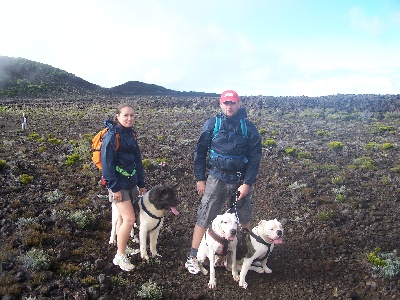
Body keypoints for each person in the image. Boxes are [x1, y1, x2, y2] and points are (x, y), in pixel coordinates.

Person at [185, 90, 262, 274]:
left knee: (244, 218)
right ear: (221, 104)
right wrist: (200, 178)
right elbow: (200, 151)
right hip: (216, 178)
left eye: (233, 103)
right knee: (205, 214)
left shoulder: (248, 128)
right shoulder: (212, 124)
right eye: (226, 103)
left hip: (239, 180)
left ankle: (247, 255)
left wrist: (247, 183)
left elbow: (255, 157)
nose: (229, 106)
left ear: (239, 104)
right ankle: (193, 257)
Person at [101, 103, 147, 271]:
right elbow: (107, 164)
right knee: (129, 219)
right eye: (126, 115)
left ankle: (123, 246)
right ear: (118, 116)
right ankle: (119, 256)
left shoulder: (131, 134)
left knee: (122, 219)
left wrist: (141, 183)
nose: (129, 118)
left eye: (132, 115)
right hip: (118, 185)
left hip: (131, 182)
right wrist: (114, 188)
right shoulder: (112, 136)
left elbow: (138, 161)